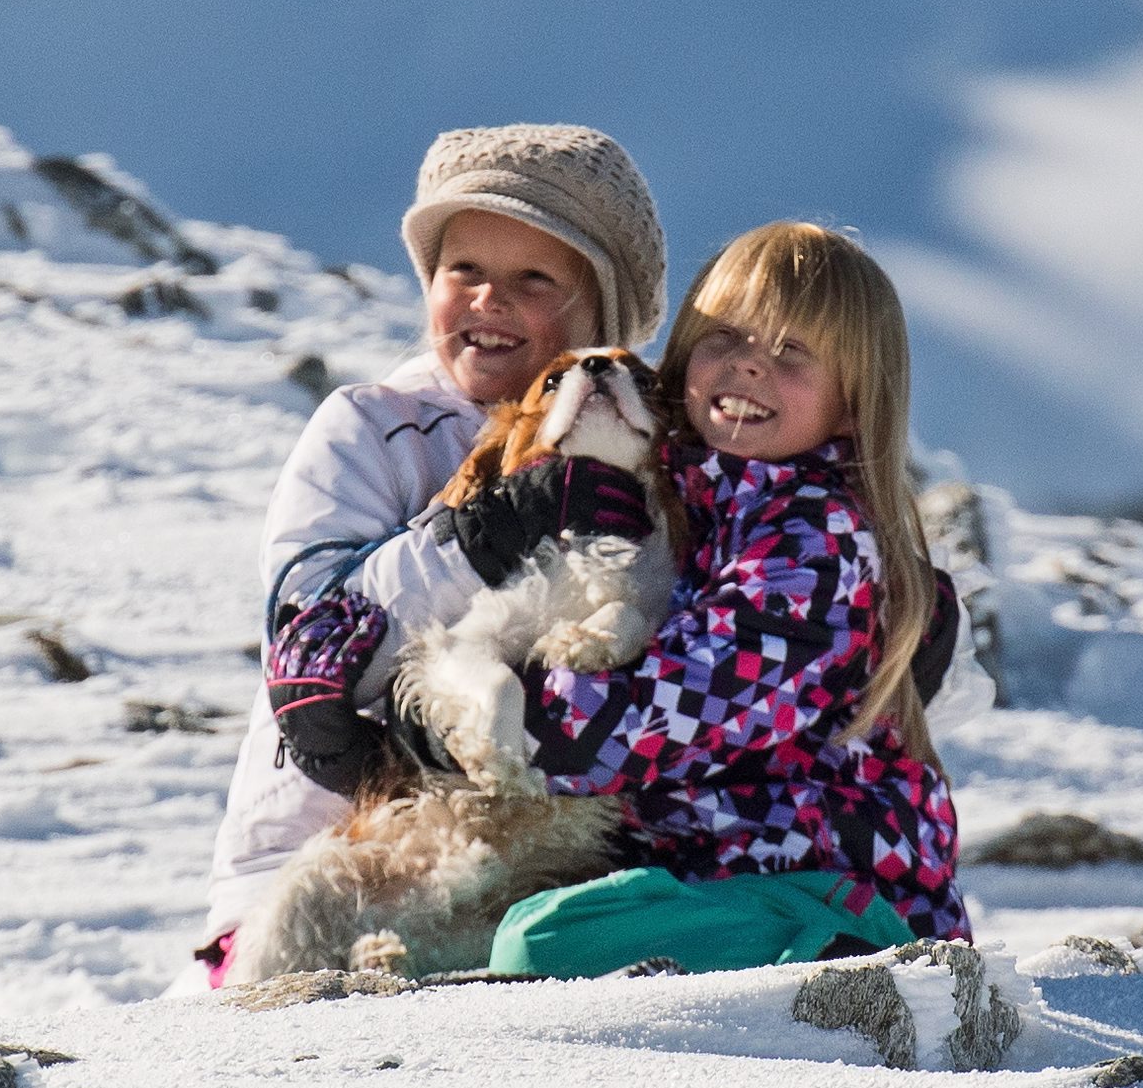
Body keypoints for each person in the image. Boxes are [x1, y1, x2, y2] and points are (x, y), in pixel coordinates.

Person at [199, 124, 669, 979]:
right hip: (332, 860)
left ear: (601, 309)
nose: (490, 299)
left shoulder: (653, 451)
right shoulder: (371, 427)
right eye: (466, 271)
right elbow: (312, 632)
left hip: (554, 865)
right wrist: (488, 531)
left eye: (535, 278)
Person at [489, 221, 965, 971]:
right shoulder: (698, 503)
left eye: (792, 351)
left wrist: (501, 703)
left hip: (824, 886)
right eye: (727, 337)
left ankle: (844, 966)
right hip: (714, 873)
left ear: (851, 402)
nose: (749, 366)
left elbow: (629, 730)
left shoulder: (816, 544)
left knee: (535, 941)